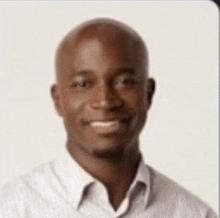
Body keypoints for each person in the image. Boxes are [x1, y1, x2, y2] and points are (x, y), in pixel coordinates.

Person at [0, 18, 217, 218]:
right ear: (58, 99)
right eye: (83, 84)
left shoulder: (194, 214)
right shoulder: (12, 209)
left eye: (124, 81)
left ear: (148, 94)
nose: (105, 101)